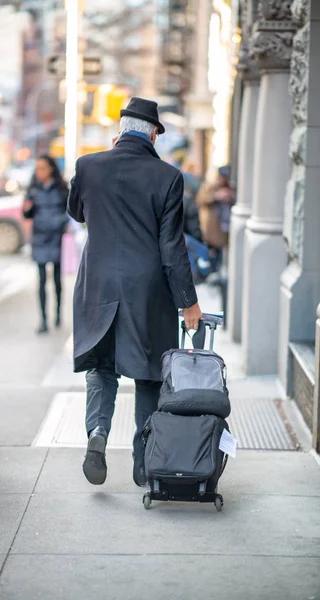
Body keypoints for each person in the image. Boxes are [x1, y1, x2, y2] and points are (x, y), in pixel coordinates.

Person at [68, 97, 202, 487]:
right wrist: (188, 302)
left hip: (99, 285)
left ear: (120, 131)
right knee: (148, 377)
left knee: (102, 367)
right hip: (148, 291)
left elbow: (77, 211)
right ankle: (143, 460)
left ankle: (97, 434)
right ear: (155, 134)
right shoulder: (168, 177)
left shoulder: (88, 166)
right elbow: (172, 247)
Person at [23, 155, 69, 334]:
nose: (39, 172)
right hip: (40, 238)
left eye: (42, 168)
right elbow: (27, 214)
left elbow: (70, 211)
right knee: (41, 280)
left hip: (57, 238)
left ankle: (58, 314)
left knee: (57, 280)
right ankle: (43, 319)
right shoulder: (33, 189)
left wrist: (61, 223)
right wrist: (26, 209)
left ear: (51, 168)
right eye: (37, 168)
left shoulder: (61, 188)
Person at [196, 165, 235, 250]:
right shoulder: (209, 186)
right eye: (223, 177)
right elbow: (200, 200)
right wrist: (216, 196)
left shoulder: (229, 187)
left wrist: (230, 197)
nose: (224, 180)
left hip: (226, 225)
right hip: (213, 227)